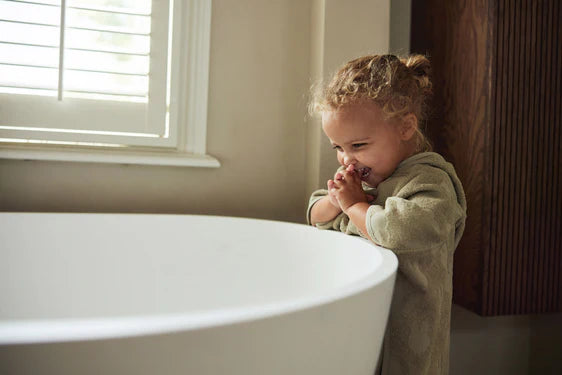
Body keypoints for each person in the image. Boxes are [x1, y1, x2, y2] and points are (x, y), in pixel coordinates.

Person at [307, 54, 467, 375]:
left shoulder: (430, 181)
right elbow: (315, 213)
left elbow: (401, 230)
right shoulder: (364, 180)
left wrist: (355, 207)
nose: (346, 159)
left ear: (406, 126)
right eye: (337, 147)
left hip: (408, 336)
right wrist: (338, 203)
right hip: (364, 321)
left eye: (358, 145)